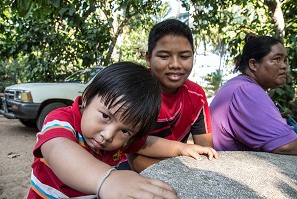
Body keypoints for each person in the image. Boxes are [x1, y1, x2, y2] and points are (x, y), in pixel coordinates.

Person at [27, 61, 217, 199]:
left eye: (125, 131)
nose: (109, 135)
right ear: (87, 97)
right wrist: (108, 179)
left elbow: (145, 144)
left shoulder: (121, 139)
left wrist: (181, 148)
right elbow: (58, 149)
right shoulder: (61, 119)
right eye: (106, 116)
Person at [127, 19, 217, 173]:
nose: (175, 64)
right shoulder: (134, 90)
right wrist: (176, 174)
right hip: (129, 169)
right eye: (164, 56)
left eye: (184, 57)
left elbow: (205, 150)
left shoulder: (196, 96)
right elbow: (132, 151)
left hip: (178, 166)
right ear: (149, 58)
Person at [210, 34, 297, 155]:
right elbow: (286, 146)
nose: (284, 66)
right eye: (277, 59)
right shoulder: (247, 91)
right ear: (253, 64)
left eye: (285, 60)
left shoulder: (237, 85)